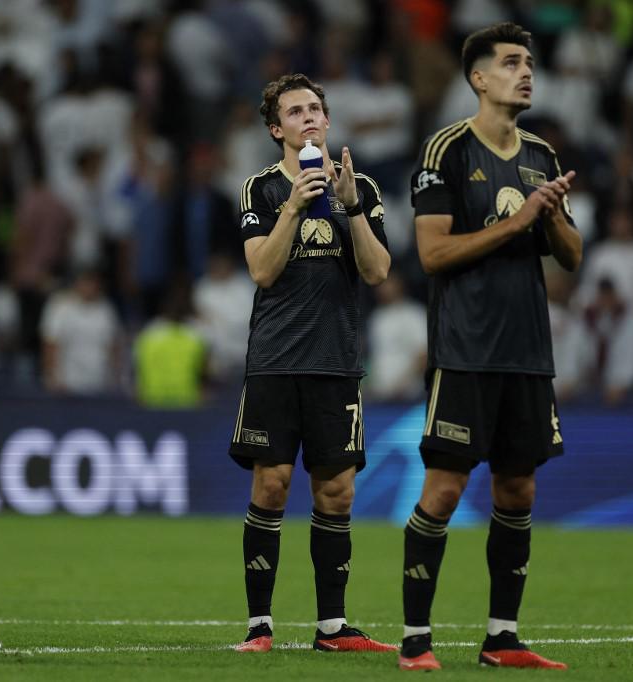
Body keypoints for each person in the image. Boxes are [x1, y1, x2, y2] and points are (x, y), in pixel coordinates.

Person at [400, 23, 582, 671]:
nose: (525, 71)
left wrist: (554, 214)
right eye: (510, 62)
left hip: (528, 350)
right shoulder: (445, 150)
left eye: (529, 62)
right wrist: (519, 220)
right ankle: (416, 640)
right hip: (466, 349)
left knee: (519, 492)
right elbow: (432, 253)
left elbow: (571, 257)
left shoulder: (542, 154)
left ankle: (502, 638)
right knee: (446, 490)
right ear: (479, 78)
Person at [229, 73, 394, 654]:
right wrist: (295, 207)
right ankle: (259, 626)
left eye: (316, 108)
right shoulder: (261, 190)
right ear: (277, 129)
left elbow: (377, 272)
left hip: (336, 362)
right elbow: (261, 271)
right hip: (275, 361)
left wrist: (348, 208)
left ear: (326, 120)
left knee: (337, 494)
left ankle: (332, 628)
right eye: (295, 111)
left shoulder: (363, 188)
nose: (308, 117)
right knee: (271, 486)